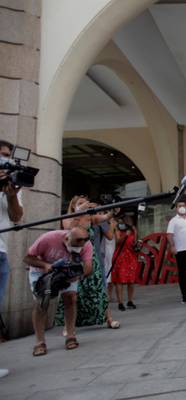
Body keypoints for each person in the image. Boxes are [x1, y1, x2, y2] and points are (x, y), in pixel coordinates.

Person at [24, 227, 93, 356]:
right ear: (67, 238)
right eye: (74, 246)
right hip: (42, 272)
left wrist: (78, 276)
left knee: (71, 298)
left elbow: (88, 267)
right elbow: (27, 259)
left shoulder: (86, 244)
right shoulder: (48, 238)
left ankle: (70, 335)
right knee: (41, 303)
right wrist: (45, 265)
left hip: (67, 273)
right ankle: (40, 342)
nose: (78, 248)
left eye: (81, 245)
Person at [57, 197, 117, 329]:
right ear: (73, 207)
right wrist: (79, 211)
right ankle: (68, 326)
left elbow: (105, 217)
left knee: (99, 289)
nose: (84, 205)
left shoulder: (90, 218)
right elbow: (69, 227)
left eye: (85, 202)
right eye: (80, 203)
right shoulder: (68, 218)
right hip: (74, 258)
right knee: (72, 292)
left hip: (91, 257)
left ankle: (109, 318)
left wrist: (113, 210)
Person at [0, 140, 24, 377]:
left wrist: (11, 197)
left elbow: (16, 217)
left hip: (1, 251)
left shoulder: (11, 184)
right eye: (2, 155)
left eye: (8, 156)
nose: (5, 160)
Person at [111, 220, 138, 311]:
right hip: (120, 258)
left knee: (131, 281)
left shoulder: (133, 230)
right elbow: (117, 242)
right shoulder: (118, 230)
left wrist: (135, 233)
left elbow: (134, 243)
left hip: (131, 258)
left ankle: (130, 301)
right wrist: (125, 235)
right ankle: (120, 302)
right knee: (119, 281)